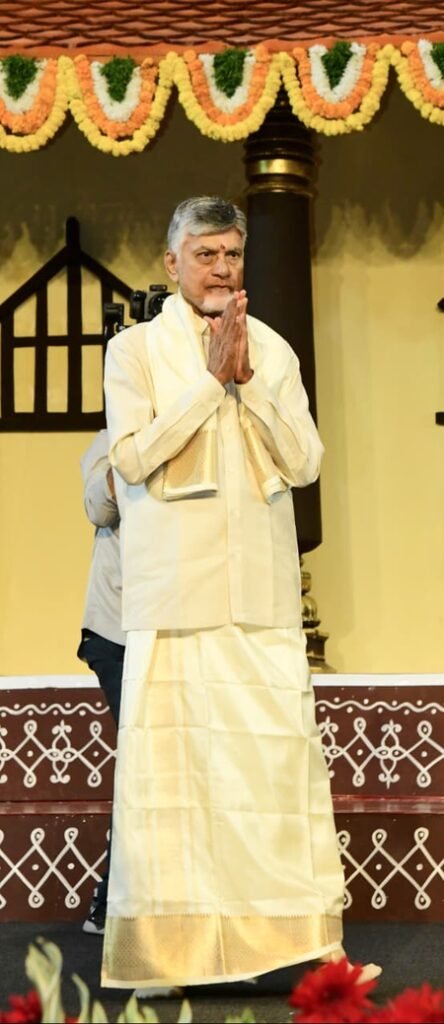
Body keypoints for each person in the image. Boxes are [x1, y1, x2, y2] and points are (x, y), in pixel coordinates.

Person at [101, 196, 380, 991]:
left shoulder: (274, 350)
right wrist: (206, 385)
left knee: (274, 778)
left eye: (232, 254)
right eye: (206, 254)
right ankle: (165, 961)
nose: (222, 268)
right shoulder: (134, 351)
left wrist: (247, 382)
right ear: (173, 263)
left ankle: (310, 951)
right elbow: (130, 460)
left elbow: (306, 461)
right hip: (174, 596)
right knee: (175, 788)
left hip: (259, 595)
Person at [77, 429, 125, 935]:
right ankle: (111, 903)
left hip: (170, 626)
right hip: (116, 632)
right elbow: (98, 506)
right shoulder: (108, 441)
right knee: (141, 760)